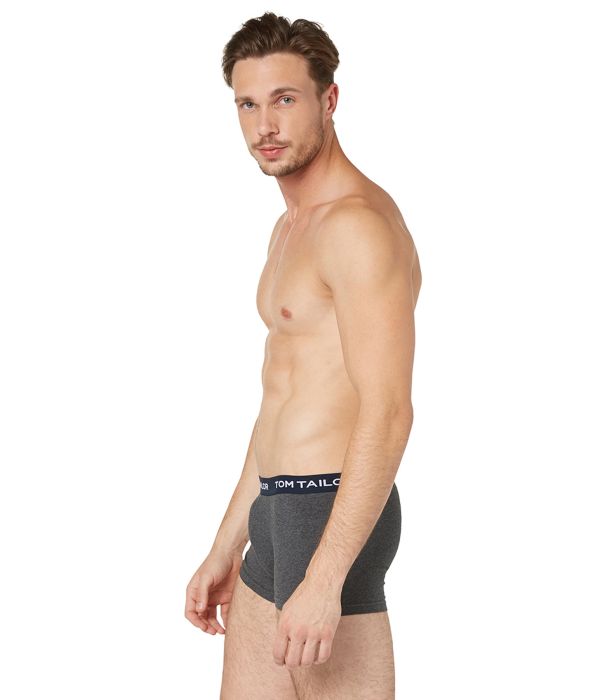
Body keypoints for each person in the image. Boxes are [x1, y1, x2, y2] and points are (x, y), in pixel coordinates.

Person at [184, 12, 421, 699]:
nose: (265, 125)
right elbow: (281, 404)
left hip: (331, 515)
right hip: (276, 512)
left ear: (329, 99)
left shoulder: (357, 227)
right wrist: (228, 542)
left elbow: (389, 411)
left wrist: (325, 578)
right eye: (248, 104)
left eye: (284, 99)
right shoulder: (290, 229)